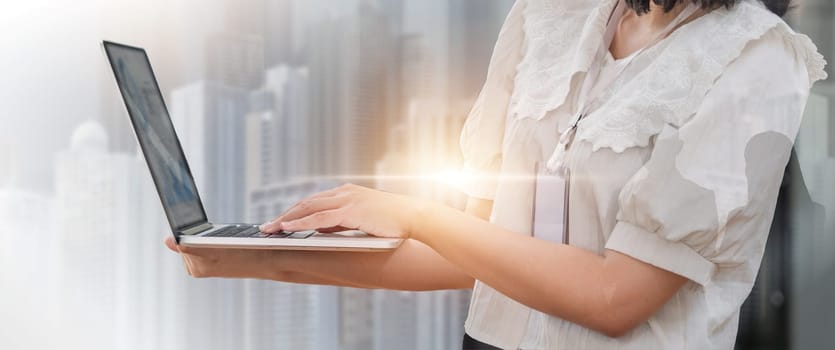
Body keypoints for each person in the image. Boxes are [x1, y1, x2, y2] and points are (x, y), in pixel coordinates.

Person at [164, 0, 827, 348]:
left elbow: (615, 299)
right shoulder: (549, 14)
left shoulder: (756, 59)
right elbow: (481, 250)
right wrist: (242, 258)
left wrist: (417, 214)